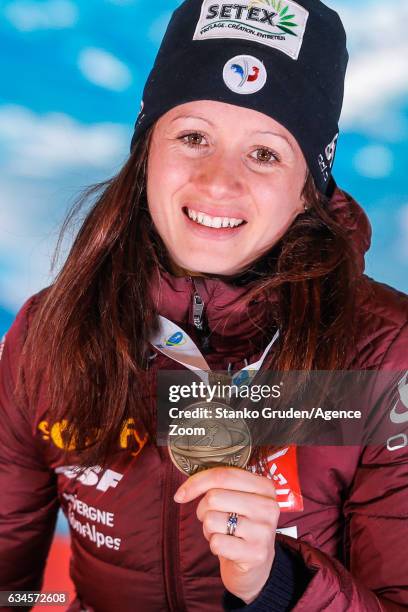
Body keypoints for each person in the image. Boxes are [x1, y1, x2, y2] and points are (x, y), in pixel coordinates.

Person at [0, 0, 407, 610]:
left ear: (307, 192)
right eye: (193, 137)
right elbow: (10, 584)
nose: (219, 182)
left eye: (265, 153)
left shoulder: (381, 358)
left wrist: (273, 584)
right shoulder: (51, 333)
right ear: (146, 157)